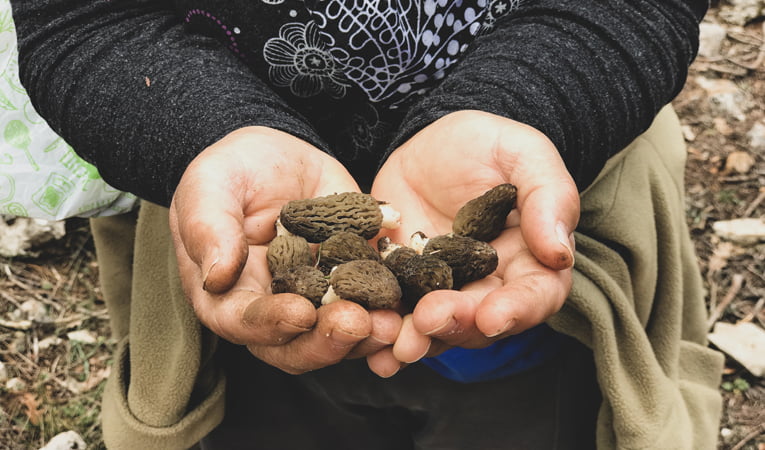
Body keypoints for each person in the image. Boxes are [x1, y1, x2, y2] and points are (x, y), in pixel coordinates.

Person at [11, 0, 724, 448]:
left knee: (535, 412)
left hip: (550, 238)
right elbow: (82, 20)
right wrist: (207, 132)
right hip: (235, 247)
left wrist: (525, 103)